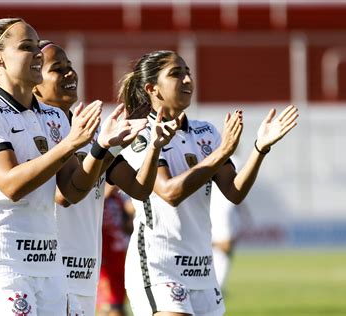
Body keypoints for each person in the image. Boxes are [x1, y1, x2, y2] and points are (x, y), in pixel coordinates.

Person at [0, 18, 144, 315]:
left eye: (36, 47)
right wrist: (70, 144)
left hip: (50, 266)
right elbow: (11, 185)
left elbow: (72, 192)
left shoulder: (55, 118)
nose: (36, 54)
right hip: (3, 264)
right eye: (25, 47)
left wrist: (101, 147)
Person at [118, 50, 299, 316]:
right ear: (151, 88)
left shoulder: (205, 132)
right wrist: (220, 154)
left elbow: (234, 192)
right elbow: (170, 192)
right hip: (159, 266)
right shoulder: (139, 134)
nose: (187, 80)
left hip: (202, 269)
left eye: (187, 72)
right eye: (176, 74)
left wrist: (259, 148)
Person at [32, 41, 184, 315]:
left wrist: (155, 146)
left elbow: (139, 188)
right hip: (49, 270)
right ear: (34, 82)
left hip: (84, 267)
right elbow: (65, 195)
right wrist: (105, 147)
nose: (70, 73)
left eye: (70, 66)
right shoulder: (37, 129)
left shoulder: (93, 130)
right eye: (57, 69)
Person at [210, 155, 252, 291]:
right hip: (223, 208)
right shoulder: (233, 160)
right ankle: (217, 285)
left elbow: (239, 189)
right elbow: (237, 185)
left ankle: (218, 285)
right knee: (225, 247)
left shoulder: (220, 156)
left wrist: (244, 211)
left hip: (223, 207)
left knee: (225, 249)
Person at [97, 184, 135, 316]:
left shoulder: (120, 196)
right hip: (103, 257)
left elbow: (129, 226)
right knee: (108, 305)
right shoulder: (97, 191)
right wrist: (108, 189)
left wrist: (130, 215)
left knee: (118, 303)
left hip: (120, 255)